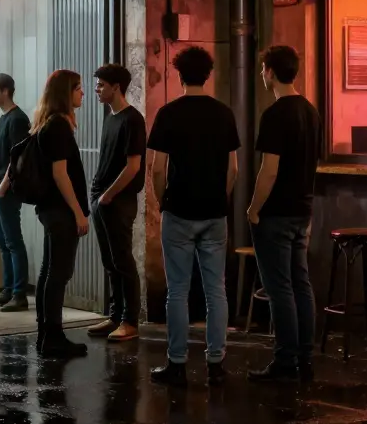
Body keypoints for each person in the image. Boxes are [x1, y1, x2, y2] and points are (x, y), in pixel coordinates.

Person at [147, 47, 240, 387]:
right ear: (208, 73)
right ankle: (216, 364)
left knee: (178, 291)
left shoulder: (169, 114)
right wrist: (220, 198)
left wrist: (162, 203)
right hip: (215, 213)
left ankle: (177, 364)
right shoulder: (224, 113)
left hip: (180, 212)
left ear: (179, 75)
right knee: (217, 291)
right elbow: (233, 169)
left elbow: (157, 169)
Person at [246, 45, 321, 382]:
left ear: (270, 72)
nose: (263, 74)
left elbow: (269, 170)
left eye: (264, 69)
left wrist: (254, 208)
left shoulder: (275, 114)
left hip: (276, 213)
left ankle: (284, 361)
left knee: (280, 288)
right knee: (301, 284)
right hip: (303, 209)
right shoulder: (310, 111)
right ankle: (305, 356)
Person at [31, 69, 91, 359]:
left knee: (50, 271)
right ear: (65, 93)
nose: (83, 93)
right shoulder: (58, 126)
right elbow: (60, 175)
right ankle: (52, 337)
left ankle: (46, 334)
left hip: (51, 209)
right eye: (78, 88)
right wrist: (79, 212)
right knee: (59, 273)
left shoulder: (49, 123)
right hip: (60, 211)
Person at [87, 63, 146, 343]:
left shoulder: (132, 119)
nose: (96, 90)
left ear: (116, 87)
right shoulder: (110, 117)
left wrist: (108, 195)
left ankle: (129, 321)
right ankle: (114, 315)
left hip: (118, 200)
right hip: (102, 198)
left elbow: (133, 166)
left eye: (101, 85)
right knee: (109, 262)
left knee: (122, 260)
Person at [0, 73, 33, 313]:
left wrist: (3, 186)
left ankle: (19, 294)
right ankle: (8, 290)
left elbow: (19, 159)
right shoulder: (5, 118)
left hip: (5, 191)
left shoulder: (17, 119)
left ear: (5, 91)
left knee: (13, 242)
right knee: (3, 243)